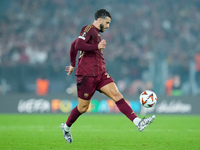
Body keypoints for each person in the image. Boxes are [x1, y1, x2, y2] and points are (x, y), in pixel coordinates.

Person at [61, 9, 155, 143]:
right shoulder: (88, 29)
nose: (108, 26)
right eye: (107, 22)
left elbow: (73, 45)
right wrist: (95, 47)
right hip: (86, 75)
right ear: (99, 20)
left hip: (100, 73)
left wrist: (72, 64)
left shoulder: (96, 33)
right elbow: (77, 45)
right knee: (83, 108)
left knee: (117, 95)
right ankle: (66, 127)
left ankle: (138, 122)